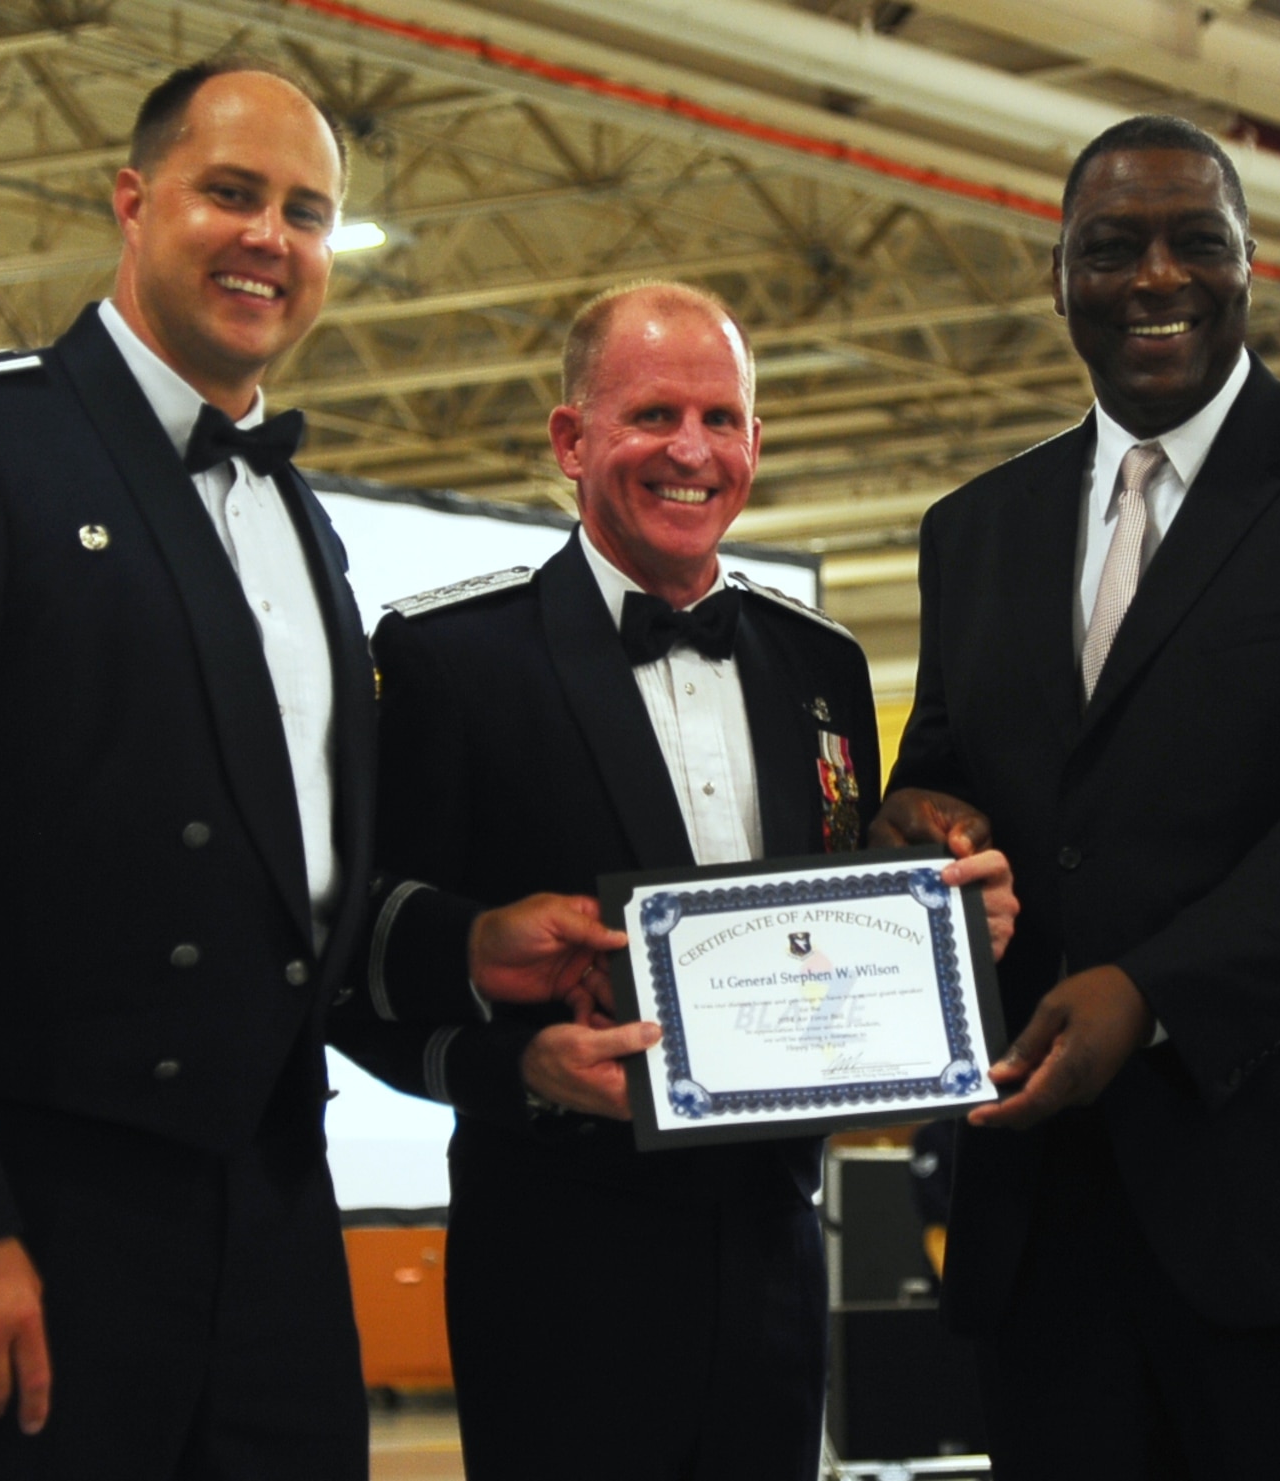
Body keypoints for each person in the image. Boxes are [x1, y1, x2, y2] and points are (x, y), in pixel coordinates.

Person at [0, 62, 621, 1479]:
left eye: (307, 211)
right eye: (231, 193)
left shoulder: (300, 522)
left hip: (271, 1230)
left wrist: (468, 941)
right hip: (27, 1221)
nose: (269, 237)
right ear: (133, 200)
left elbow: (285, 890)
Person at [874, 115, 1280, 1479]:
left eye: (1194, 244)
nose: (1154, 279)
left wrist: (1152, 990)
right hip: (1050, 1242)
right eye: (1110, 249)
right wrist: (921, 819)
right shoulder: (975, 530)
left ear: (1247, 266)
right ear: (1059, 277)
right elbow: (944, 766)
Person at [343, 280, 1015, 1481]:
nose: (691, 451)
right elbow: (357, 971)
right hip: (554, 1264)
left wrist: (942, 922)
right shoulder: (448, 660)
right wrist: (521, 1072)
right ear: (571, 439)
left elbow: (826, 936)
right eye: (652, 413)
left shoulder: (821, 665)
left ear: (755, 441)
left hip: (772, 1253)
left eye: (721, 417)